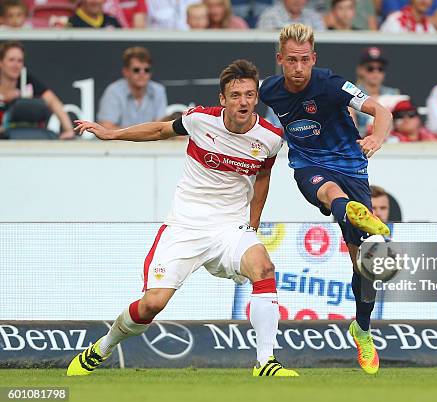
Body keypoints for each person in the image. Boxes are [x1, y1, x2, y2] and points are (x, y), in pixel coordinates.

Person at [67, 59, 298, 377]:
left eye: (249, 94)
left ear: (256, 97)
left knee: (264, 267)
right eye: (235, 95)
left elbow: (262, 178)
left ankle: (266, 363)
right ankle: (103, 347)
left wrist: (252, 225)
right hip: (185, 226)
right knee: (152, 305)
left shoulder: (270, 138)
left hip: (230, 228)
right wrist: (110, 134)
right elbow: (159, 130)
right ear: (223, 99)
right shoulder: (200, 120)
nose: (243, 101)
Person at [259, 23, 393, 375]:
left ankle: (361, 330)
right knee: (330, 193)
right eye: (291, 60)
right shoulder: (269, 90)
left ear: (313, 58)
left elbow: (382, 111)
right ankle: (351, 211)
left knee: (364, 269)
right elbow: (237, 108)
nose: (299, 67)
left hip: (352, 169)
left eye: (304, 60)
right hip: (308, 168)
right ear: (280, 60)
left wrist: (376, 138)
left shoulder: (332, 84)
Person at [0, 41, 74, 139]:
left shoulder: (27, 81)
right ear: (1, 62)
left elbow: (53, 101)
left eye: (20, 61)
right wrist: (4, 98)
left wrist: (69, 130)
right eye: (11, 60)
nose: (16, 65)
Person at [97, 47, 167, 129]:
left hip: (151, 141)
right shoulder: (113, 91)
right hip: (118, 142)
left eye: (147, 70)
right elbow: (106, 128)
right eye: (136, 70)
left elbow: (160, 127)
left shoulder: (158, 90)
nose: (142, 74)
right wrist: (140, 136)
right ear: (126, 72)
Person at [353, 47, 399, 136]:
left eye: (380, 69)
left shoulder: (394, 94)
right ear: (360, 70)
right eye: (370, 68)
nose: (376, 72)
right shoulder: (351, 93)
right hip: (362, 142)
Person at [256, 0, 326, 30]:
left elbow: (323, 42)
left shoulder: (314, 17)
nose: (297, 1)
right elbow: (265, 44)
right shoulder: (269, 16)